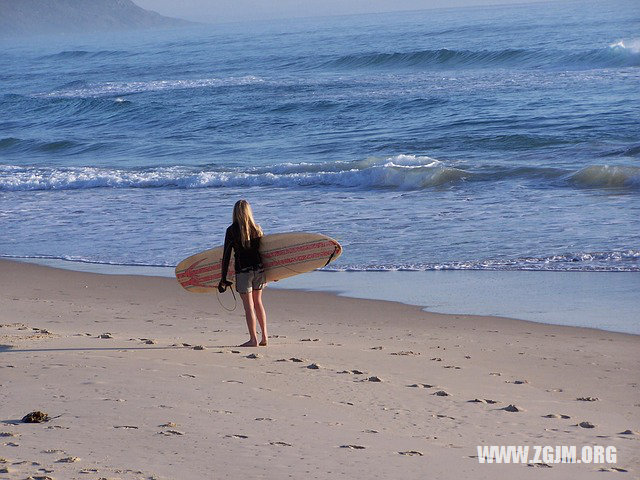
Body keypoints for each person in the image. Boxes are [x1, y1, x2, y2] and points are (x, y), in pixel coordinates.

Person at [218, 200, 268, 347]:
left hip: (243, 272)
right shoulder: (257, 228)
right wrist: (273, 273)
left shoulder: (231, 230)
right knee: (258, 303)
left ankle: (253, 339)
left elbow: (226, 256)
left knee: (248, 307)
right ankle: (264, 337)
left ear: (235, 212)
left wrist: (223, 278)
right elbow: (265, 253)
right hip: (259, 270)